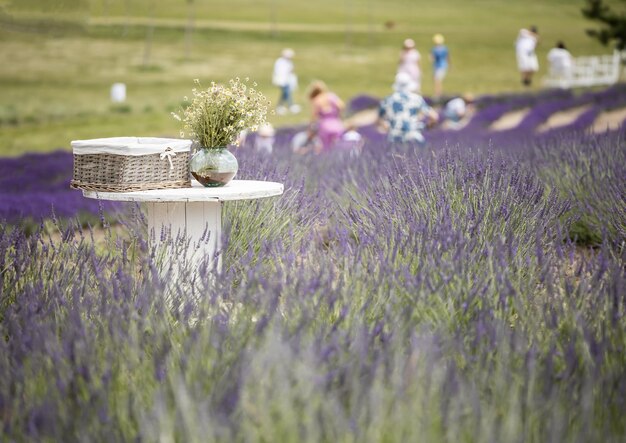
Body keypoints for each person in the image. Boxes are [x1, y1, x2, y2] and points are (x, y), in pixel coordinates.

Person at [378, 72, 439, 146]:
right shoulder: (416, 99)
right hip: (413, 136)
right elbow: (434, 116)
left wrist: (390, 128)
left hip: (394, 138)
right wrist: (426, 127)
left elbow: (380, 119)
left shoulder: (388, 100)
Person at [308, 80, 345, 153]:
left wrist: (310, 129)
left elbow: (313, 117)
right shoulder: (331, 96)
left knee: (326, 148)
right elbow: (341, 106)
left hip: (325, 126)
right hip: (337, 125)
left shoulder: (317, 100)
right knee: (339, 147)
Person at [272, 48, 300, 115]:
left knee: (284, 94)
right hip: (281, 80)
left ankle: (280, 106)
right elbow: (279, 72)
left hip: (287, 80)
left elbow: (290, 71)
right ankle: (291, 106)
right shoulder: (280, 61)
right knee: (286, 92)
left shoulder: (289, 62)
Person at [430, 34, 449, 101]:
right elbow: (447, 57)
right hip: (444, 66)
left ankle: (438, 94)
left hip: (438, 66)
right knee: (438, 80)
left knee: (437, 81)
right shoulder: (445, 48)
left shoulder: (434, 49)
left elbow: (432, 58)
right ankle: (438, 93)